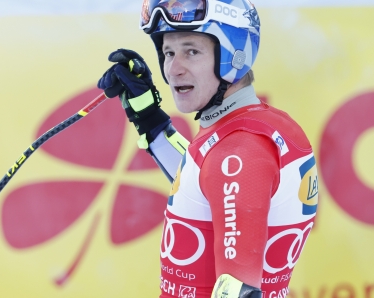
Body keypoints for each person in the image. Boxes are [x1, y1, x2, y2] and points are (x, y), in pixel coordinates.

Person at [97, 1, 319, 298]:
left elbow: (239, 292)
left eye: (192, 51)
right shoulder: (254, 128)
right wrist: (150, 119)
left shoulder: (239, 151)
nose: (174, 69)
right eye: (168, 53)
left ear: (233, 57)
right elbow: (201, 186)